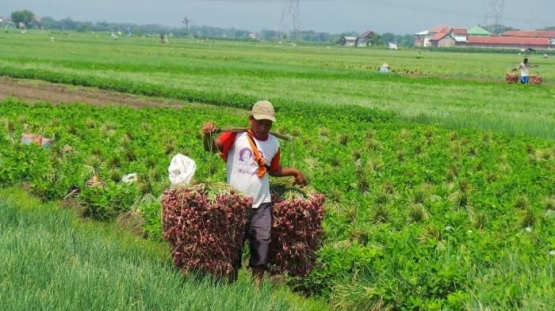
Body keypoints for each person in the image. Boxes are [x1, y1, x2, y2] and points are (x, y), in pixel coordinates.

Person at [201, 100, 306, 286]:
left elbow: (273, 170)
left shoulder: (273, 143)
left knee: (262, 243)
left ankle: (256, 289)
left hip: (261, 203)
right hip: (236, 203)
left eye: (268, 124)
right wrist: (207, 135)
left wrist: (295, 172)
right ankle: (228, 284)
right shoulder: (235, 136)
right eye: (260, 122)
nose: (264, 127)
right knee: (233, 245)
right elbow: (210, 147)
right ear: (251, 119)